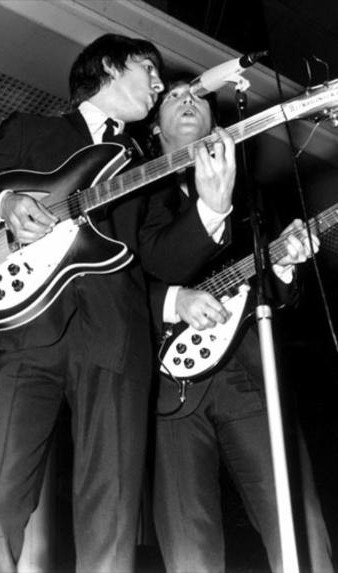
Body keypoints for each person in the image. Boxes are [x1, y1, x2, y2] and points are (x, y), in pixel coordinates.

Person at [0, 34, 165, 573]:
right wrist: (5, 203)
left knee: (112, 515)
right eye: (150, 69)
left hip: (116, 341)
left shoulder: (150, 162)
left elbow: (166, 257)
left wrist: (214, 213)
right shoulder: (33, 131)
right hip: (23, 333)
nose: (160, 85)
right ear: (111, 66)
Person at [139, 76, 334, 572]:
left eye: (199, 97)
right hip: (167, 382)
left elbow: (278, 291)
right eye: (173, 98)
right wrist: (172, 301)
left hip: (247, 371)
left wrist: (287, 262)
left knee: (295, 517)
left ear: (217, 123)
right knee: (188, 535)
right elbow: (111, 287)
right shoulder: (131, 194)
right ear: (155, 127)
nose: (189, 101)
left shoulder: (252, 198)